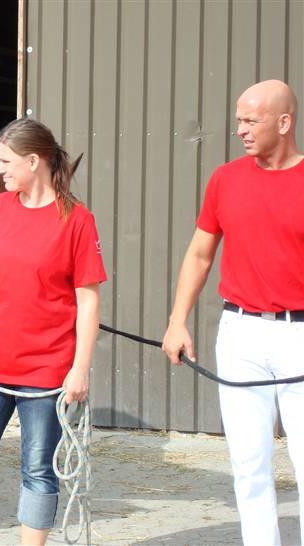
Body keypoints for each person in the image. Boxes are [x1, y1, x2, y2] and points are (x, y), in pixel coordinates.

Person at [0, 118, 107, 546]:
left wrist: (79, 370)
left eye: (7, 162)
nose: (0, 171)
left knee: (38, 469)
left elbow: (88, 302)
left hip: (46, 373)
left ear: (34, 161)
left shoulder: (77, 221)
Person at [162, 79, 304, 546]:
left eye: (250, 120)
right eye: (238, 119)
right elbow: (200, 254)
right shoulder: (226, 178)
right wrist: (177, 320)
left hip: (299, 336)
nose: (239, 129)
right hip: (240, 334)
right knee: (249, 466)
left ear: (284, 123)